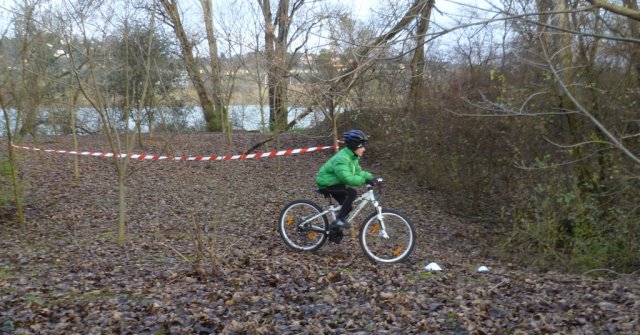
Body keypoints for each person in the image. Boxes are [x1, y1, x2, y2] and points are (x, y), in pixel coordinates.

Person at [316, 129, 378, 230]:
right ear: (355, 145)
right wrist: (364, 181)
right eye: (362, 146)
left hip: (335, 183)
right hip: (326, 182)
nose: (364, 149)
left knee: (348, 207)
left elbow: (358, 172)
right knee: (352, 193)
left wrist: (372, 177)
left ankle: (334, 229)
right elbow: (347, 178)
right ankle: (338, 220)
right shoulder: (342, 158)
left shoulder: (352, 158)